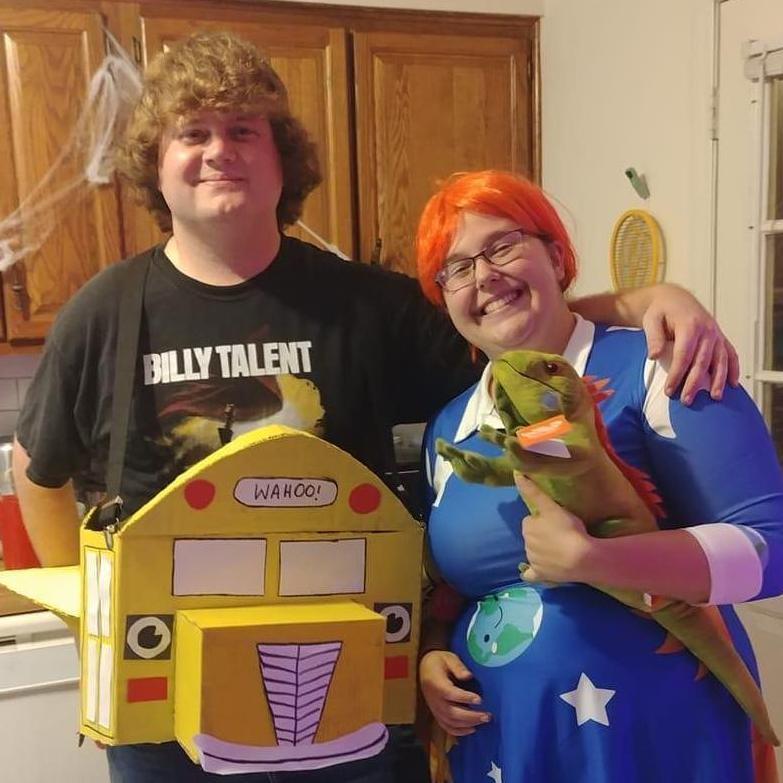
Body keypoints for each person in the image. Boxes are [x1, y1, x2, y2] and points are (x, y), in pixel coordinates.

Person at [11, 32, 738, 783]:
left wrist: (646, 298)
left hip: (348, 698)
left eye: (242, 130)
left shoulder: (364, 304)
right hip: (170, 717)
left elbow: (506, 323)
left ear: (281, 159)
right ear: (154, 166)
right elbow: (37, 469)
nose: (217, 150)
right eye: (191, 133)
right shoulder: (106, 312)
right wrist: (95, 622)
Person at [416, 170, 783, 783]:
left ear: (558, 257)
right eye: (456, 268)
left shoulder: (662, 363)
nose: (483, 276)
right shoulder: (450, 426)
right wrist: (431, 653)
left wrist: (597, 559)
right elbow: (452, 582)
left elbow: (769, 548)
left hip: (659, 740)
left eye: (503, 245)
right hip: (507, 744)